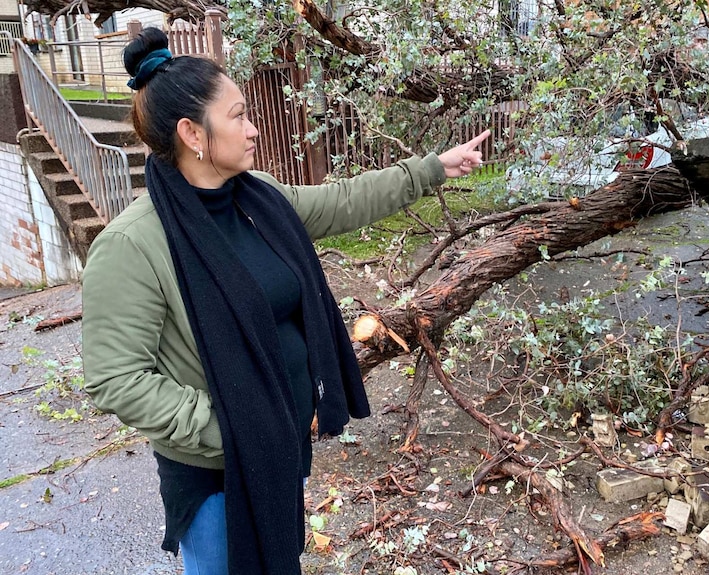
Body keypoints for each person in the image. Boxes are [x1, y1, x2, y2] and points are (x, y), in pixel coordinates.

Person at [82, 27, 489, 575]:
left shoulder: (259, 199)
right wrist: (227, 424)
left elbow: (342, 201)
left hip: (281, 444)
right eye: (239, 116)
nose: (253, 130)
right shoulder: (135, 244)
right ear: (191, 132)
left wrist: (433, 168)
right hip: (216, 470)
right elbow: (115, 378)